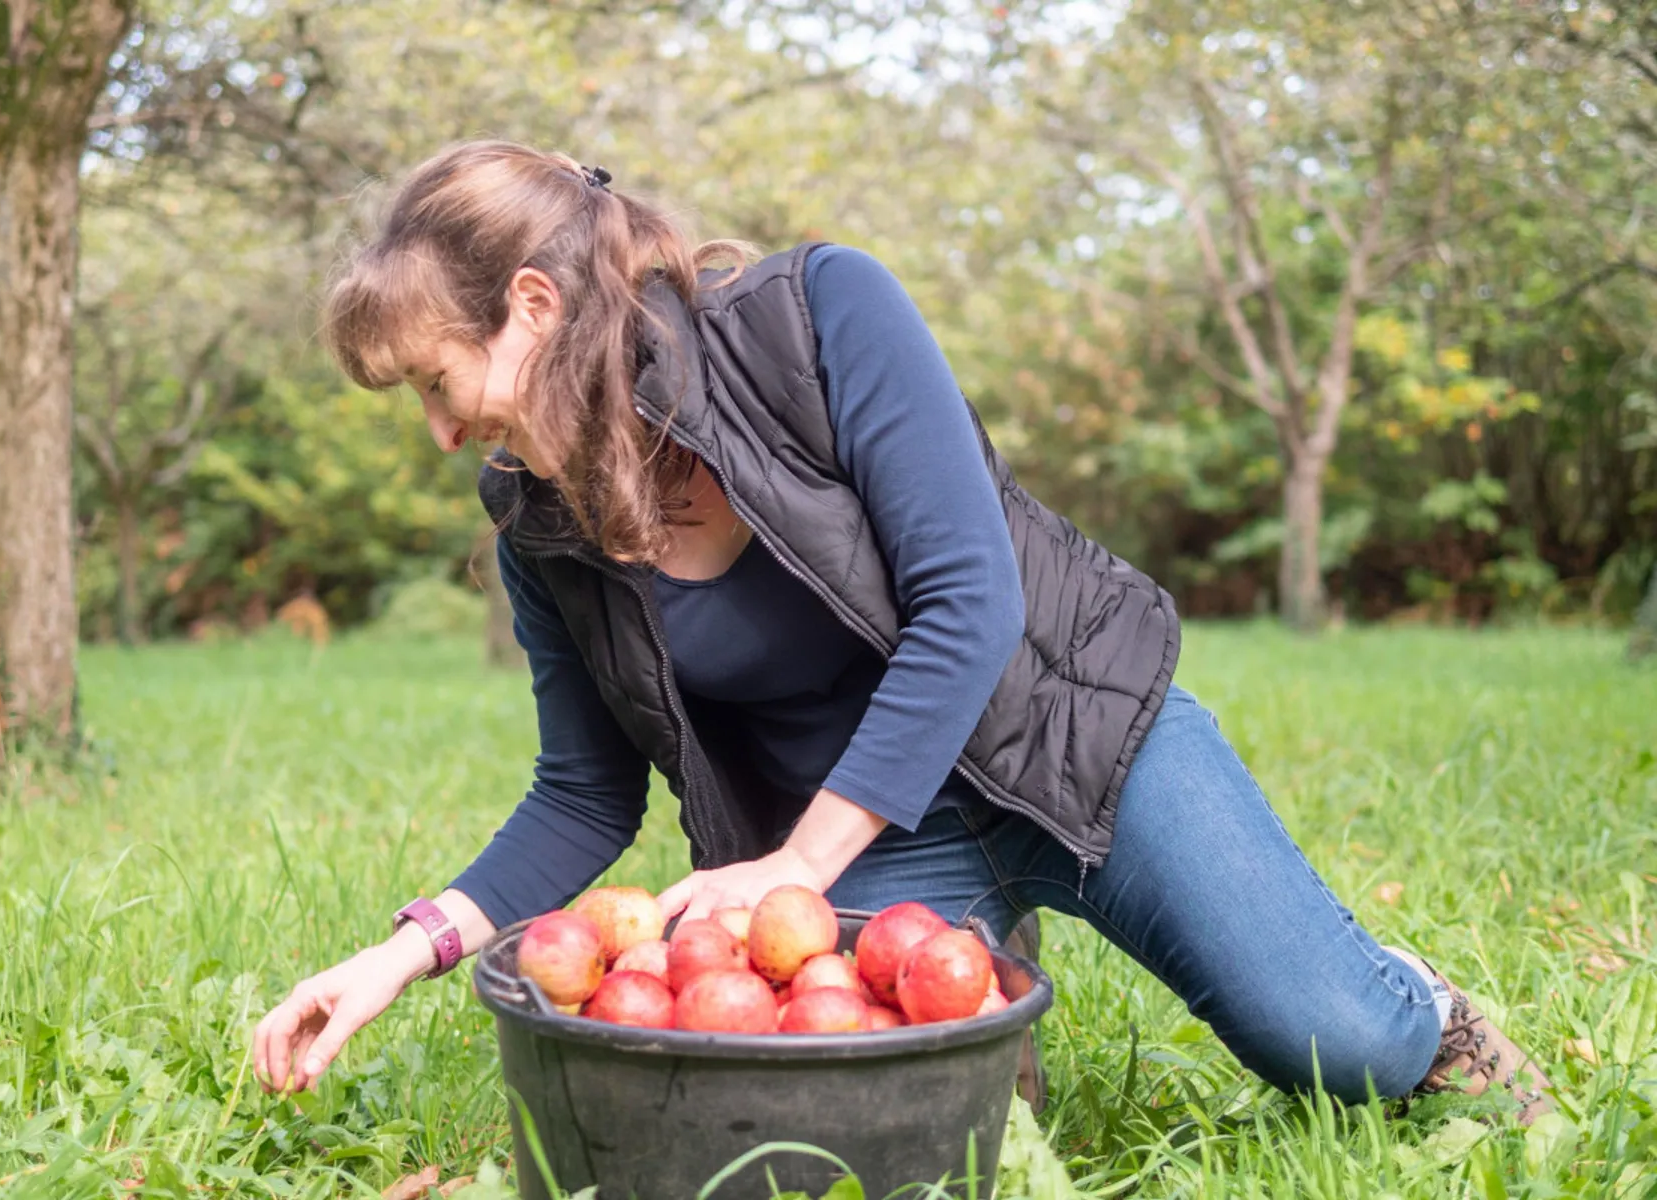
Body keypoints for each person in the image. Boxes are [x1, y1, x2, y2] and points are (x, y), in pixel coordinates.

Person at [250, 139, 1552, 1124]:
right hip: (876, 851)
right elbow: (584, 794)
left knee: (1350, 1052)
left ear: (533, 309)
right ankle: (987, 1009)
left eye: (436, 381)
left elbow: (969, 604)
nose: (439, 428)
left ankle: (1391, 990)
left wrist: (797, 868)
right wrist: (397, 954)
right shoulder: (540, 527)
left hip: (1065, 743)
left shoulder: (815, 318)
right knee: (873, 1137)